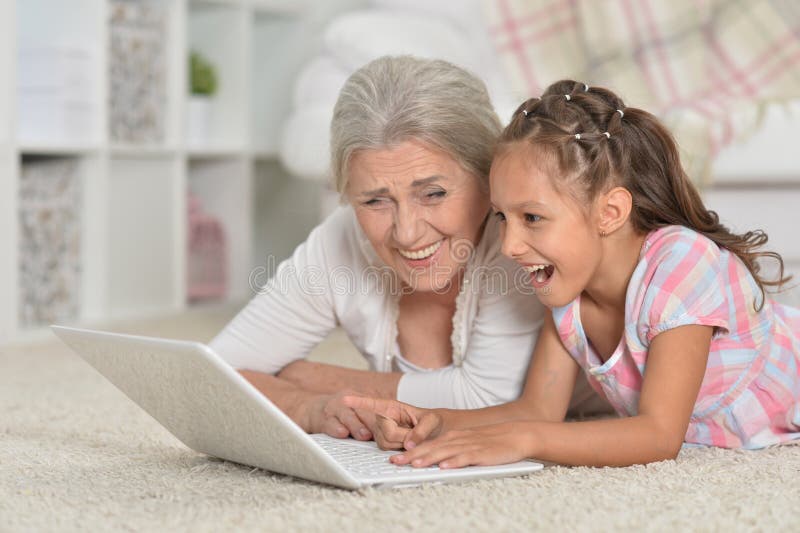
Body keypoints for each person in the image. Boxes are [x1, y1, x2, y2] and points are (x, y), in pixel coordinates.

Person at [344, 80, 800, 467]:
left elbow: (659, 436)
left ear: (611, 212)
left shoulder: (681, 264)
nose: (509, 246)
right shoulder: (566, 290)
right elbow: (538, 409)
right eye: (503, 217)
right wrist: (438, 420)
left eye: (533, 218)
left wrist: (525, 442)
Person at [209, 59, 604, 442]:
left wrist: (318, 378)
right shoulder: (343, 237)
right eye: (375, 201)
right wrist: (306, 406)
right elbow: (214, 372)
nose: (407, 233)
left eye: (433, 194)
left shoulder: (519, 240)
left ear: (488, 177)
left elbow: (491, 401)